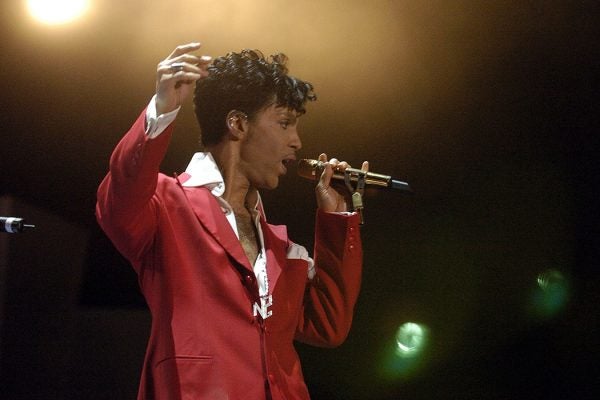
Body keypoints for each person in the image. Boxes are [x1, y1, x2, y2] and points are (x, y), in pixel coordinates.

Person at [96, 42, 368, 400]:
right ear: (237, 123)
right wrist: (162, 111)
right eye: (284, 123)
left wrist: (335, 219)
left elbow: (329, 324)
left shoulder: (283, 249)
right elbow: (122, 196)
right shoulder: (167, 205)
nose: (296, 142)